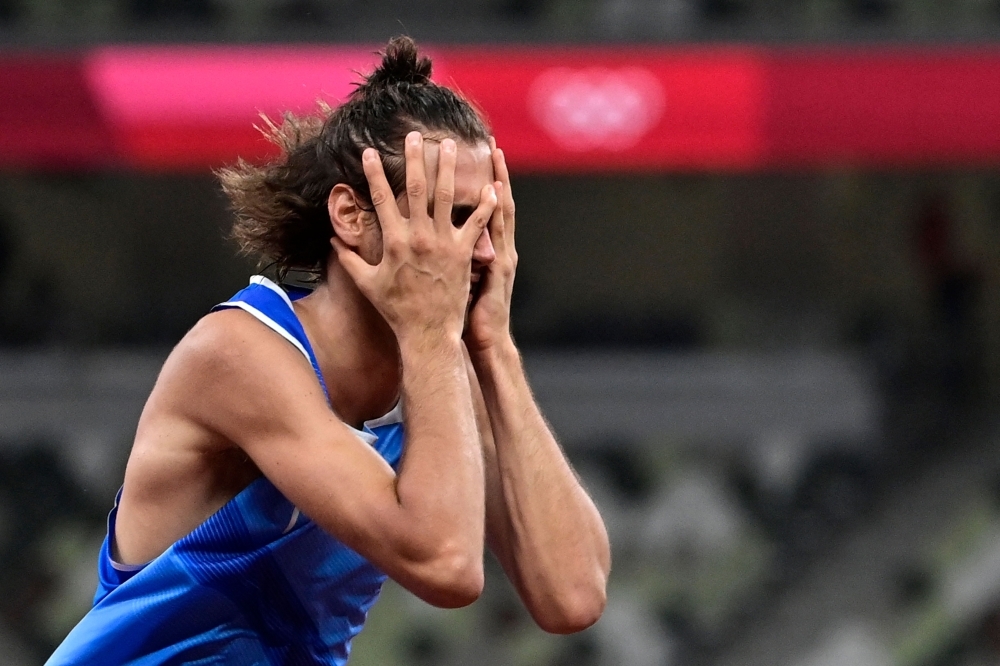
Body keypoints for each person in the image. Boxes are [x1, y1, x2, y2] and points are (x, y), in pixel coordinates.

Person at [47, 36, 610, 666]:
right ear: (349, 214)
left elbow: (572, 596)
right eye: (450, 217)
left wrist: (494, 348)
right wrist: (432, 336)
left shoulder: (443, 372)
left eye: (488, 222)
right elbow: (447, 566)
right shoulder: (240, 353)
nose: (480, 251)